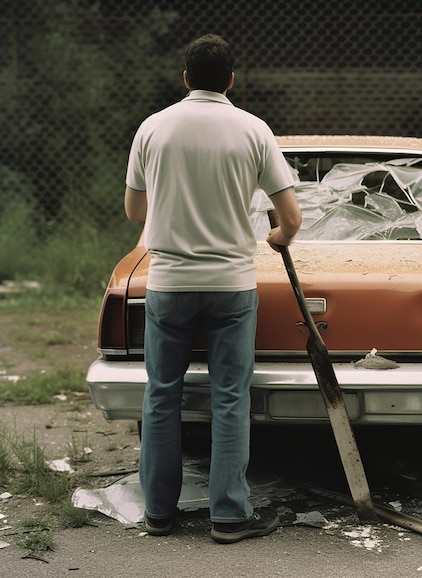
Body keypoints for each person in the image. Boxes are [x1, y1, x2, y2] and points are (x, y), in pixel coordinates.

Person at [124, 33, 302, 542]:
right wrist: (275, 235)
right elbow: (291, 217)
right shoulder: (253, 130)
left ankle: (159, 512)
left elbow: (136, 211)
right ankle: (228, 515)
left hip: (170, 282)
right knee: (229, 396)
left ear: (185, 78)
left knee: (161, 395)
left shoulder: (153, 128)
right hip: (230, 284)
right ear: (230, 79)